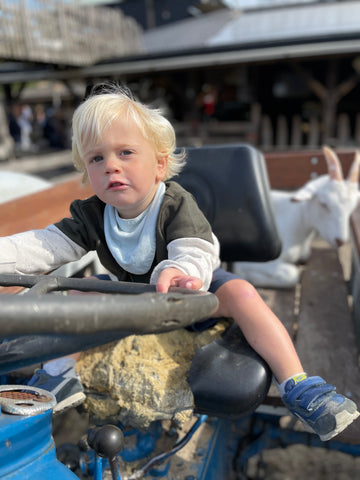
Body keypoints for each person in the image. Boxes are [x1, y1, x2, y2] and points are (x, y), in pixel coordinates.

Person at [0, 84, 358, 441]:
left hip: (190, 291)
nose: (110, 165)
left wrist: (181, 270)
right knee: (76, 298)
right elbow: (45, 245)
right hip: (136, 296)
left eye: (125, 153)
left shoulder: (173, 202)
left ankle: (299, 384)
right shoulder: (93, 215)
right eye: (97, 158)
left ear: (159, 164)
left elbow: (196, 248)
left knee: (244, 294)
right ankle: (59, 373)